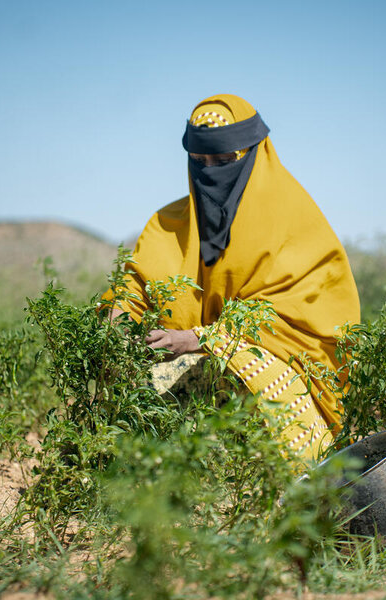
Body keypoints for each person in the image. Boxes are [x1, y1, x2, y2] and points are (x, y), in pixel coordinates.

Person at [104, 94, 360, 464]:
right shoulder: (167, 224)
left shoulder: (295, 222)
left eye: (224, 161)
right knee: (141, 395)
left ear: (256, 155)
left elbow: (293, 322)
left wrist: (200, 338)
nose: (210, 171)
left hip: (275, 375)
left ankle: (289, 481)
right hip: (188, 372)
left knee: (253, 366)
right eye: (199, 161)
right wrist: (116, 325)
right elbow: (134, 290)